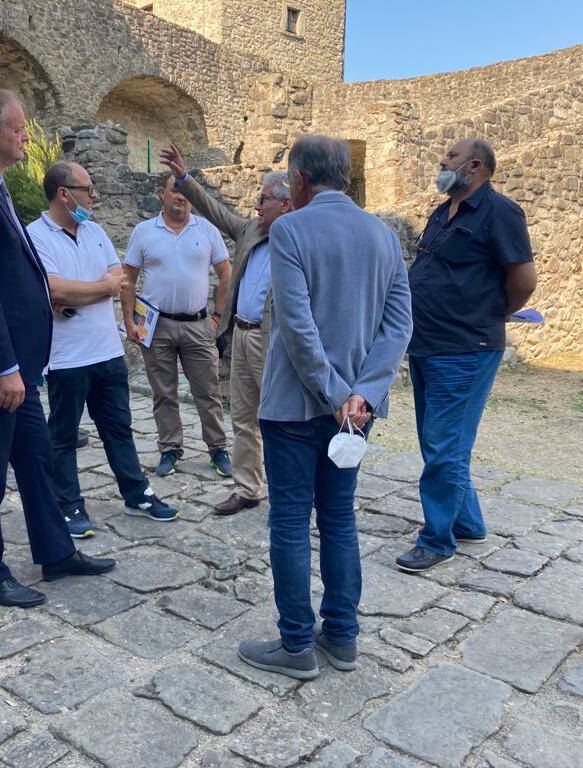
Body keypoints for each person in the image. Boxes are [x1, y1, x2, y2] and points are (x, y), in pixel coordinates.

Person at [237, 135, 412, 679]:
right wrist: (361, 394)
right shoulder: (384, 236)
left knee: (290, 520)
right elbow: (398, 324)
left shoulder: (290, 228)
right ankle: (341, 637)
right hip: (356, 414)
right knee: (338, 519)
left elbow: (294, 322)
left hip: (295, 405)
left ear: (300, 181)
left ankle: (295, 645)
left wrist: (334, 394)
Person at [0, 87, 115, 609]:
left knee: (36, 459)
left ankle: (56, 554)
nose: (25, 136)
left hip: (17, 365)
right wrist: (6, 369)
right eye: (17, 128)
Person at [395, 138, 537, 573]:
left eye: (450, 156)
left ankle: (437, 539)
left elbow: (524, 280)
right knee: (440, 442)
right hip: (427, 343)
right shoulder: (442, 213)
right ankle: (468, 522)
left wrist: (493, 313)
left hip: (465, 348)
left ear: (474, 166)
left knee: (444, 445)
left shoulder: (501, 212)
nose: (441, 161)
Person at [26, 161, 180, 539]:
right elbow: (54, 291)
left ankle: (136, 493)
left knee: (119, 429)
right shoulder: (35, 236)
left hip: (107, 352)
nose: (94, 196)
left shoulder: (95, 232)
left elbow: (122, 280)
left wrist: (83, 290)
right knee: (63, 436)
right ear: (65, 193)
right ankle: (68, 504)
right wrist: (99, 288)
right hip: (66, 357)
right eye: (87, 188)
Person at [159, 144, 292, 516]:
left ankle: (289, 492)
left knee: (280, 419)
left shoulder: (301, 238)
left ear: (285, 203)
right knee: (243, 417)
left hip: (274, 342)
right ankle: (248, 488)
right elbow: (215, 210)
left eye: (263, 199)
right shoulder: (250, 230)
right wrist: (184, 179)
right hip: (243, 336)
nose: (255, 206)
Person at [121, 175, 234, 479]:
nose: (181, 197)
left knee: (208, 391)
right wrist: (129, 321)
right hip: (156, 326)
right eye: (175, 190)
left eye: (186, 192)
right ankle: (170, 449)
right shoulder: (144, 232)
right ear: (162, 194)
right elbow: (128, 280)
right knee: (163, 392)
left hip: (198, 325)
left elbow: (226, 273)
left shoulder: (207, 229)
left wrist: (218, 316)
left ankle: (218, 448)